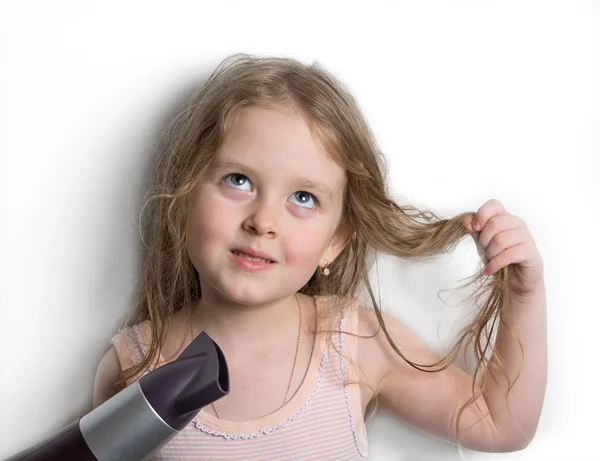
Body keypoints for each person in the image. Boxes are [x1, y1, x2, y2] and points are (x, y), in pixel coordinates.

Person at [92, 53, 547, 460]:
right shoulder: (132, 367)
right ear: (186, 196)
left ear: (336, 240)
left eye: (304, 198)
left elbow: (499, 423)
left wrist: (524, 294)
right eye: (238, 180)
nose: (263, 220)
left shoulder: (355, 343)